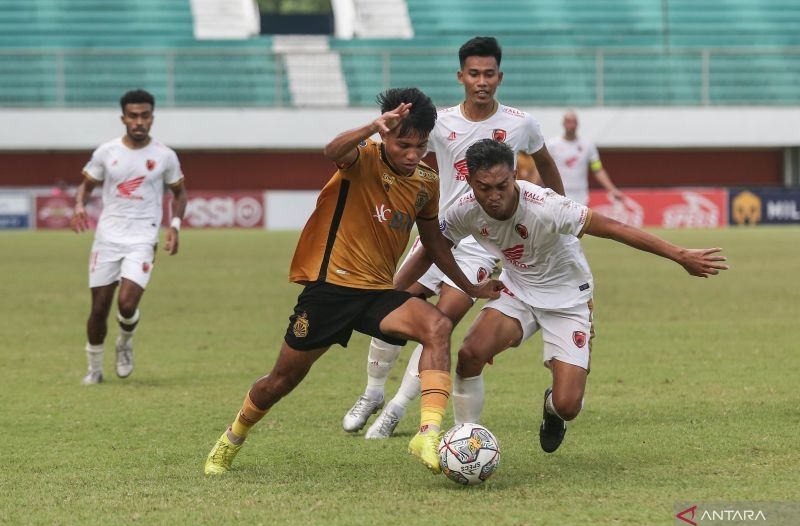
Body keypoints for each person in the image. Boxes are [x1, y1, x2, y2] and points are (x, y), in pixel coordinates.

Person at [203, 88, 503, 476]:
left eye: (421, 146)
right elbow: (332, 150)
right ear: (384, 135)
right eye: (403, 144)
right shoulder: (361, 158)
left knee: (438, 327)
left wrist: (470, 285)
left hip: (378, 293)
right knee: (281, 380)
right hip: (329, 292)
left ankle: (427, 434)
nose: (413, 155)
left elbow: (434, 245)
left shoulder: (426, 183)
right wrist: (370, 128)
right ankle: (233, 436)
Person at [402, 139, 727, 452]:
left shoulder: (547, 207)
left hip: (568, 298)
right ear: (469, 181)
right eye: (484, 188)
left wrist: (680, 255)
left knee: (568, 405)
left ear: (515, 174)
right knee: (470, 354)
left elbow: (616, 228)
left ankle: (551, 408)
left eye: (502, 185)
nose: (494, 196)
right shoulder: (464, 210)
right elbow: (433, 247)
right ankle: (464, 440)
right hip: (518, 289)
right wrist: (391, 292)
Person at [342, 36, 566, 440]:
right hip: (439, 231)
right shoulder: (441, 122)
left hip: (483, 243)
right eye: (474, 74)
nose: (482, 81)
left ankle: (396, 409)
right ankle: (373, 393)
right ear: (460, 76)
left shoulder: (521, 123)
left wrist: (559, 217)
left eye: (490, 74)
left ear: (500, 76)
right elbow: (398, 152)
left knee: (440, 324)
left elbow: (546, 163)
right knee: (392, 303)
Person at [71, 89, 187, 385]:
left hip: (143, 237)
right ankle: (94, 368)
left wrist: (174, 225)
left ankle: (124, 342)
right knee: (98, 308)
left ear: (152, 118)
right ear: (123, 117)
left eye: (144, 116)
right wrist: (79, 204)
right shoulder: (106, 153)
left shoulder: (164, 156)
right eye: (133, 116)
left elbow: (179, 192)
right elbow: (86, 184)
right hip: (107, 238)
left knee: (126, 304)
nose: (139, 121)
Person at [543, 110, 626, 205]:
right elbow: (543, 167)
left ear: (577, 124)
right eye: (568, 122)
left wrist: (612, 190)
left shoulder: (588, 146)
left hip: (581, 197)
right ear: (563, 123)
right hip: (558, 196)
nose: (571, 126)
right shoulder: (552, 145)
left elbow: (598, 169)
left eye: (573, 122)